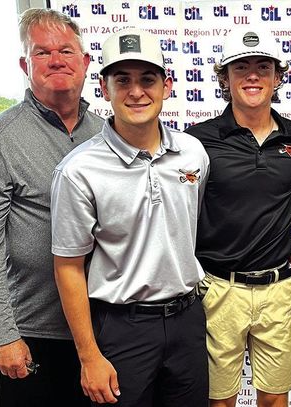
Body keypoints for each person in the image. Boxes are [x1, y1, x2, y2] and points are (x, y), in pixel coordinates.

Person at [50, 28, 209, 406]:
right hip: (122, 327)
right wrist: (89, 356)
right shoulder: (78, 171)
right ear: (104, 88)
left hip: (187, 320)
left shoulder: (192, 153)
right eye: (123, 80)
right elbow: (68, 267)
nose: (136, 92)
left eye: (147, 79)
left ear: (167, 86)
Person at [184, 27, 291, 407]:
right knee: (219, 400)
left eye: (264, 67)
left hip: (278, 288)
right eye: (241, 67)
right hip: (218, 289)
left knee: (276, 399)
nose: (253, 75)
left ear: (278, 77)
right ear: (224, 78)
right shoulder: (197, 141)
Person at [0, 8, 102, 407]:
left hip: (105, 332)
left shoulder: (108, 135)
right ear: (25, 64)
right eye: (42, 53)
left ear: (86, 62)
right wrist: (2, 335)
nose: (57, 60)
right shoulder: (2, 139)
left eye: (67, 51)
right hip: (35, 335)